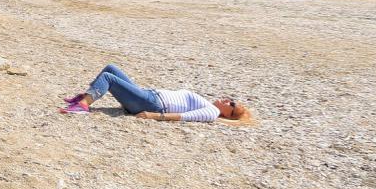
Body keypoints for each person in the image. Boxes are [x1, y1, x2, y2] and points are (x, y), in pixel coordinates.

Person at [59, 63, 251, 122]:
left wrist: (153, 116)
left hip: (152, 104)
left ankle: (83, 105)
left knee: (109, 79)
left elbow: (184, 116)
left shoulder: (211, 113)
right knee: (111, 69)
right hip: (149, 95)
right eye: (231, 100)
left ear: (228, 114)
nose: (228, 100)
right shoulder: (211, 106)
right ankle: (86, 96)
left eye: (232, 105)